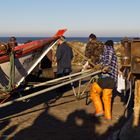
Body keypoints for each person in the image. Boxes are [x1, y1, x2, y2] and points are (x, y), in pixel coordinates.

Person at [90, 40, 118, 120]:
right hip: (112, 80)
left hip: (106, 77)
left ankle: (99, 111)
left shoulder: (108, 49)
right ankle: (108, 116)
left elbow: (107, 60)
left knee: (94, 91)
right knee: (107, 98)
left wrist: (105, 67)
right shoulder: (114, 55)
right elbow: (104, 60)